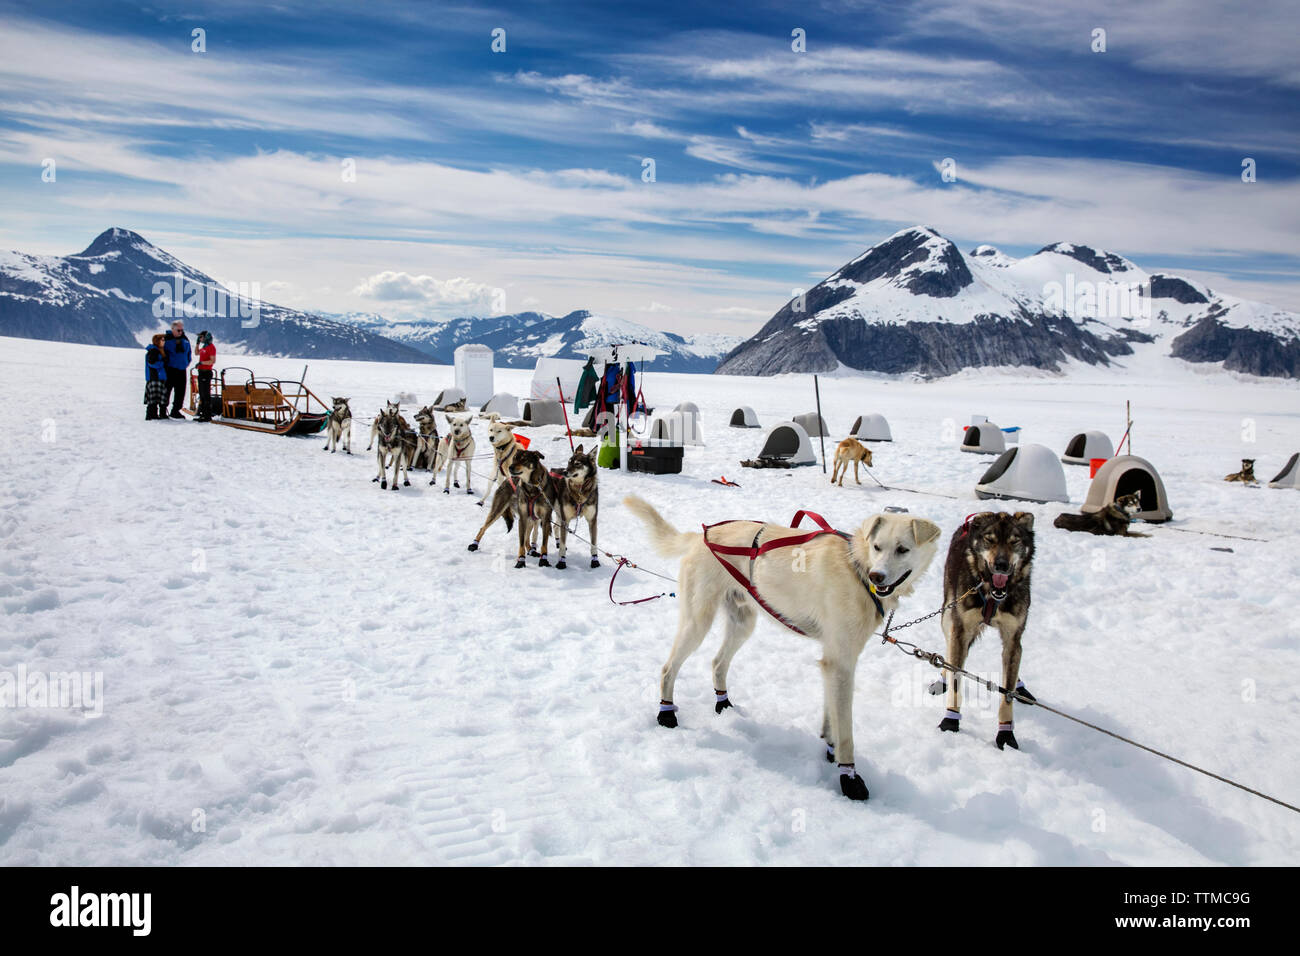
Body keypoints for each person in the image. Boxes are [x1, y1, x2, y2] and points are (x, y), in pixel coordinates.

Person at [161, 319, 192, 418]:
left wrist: (187, 362)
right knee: (166, 390)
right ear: (172, 329)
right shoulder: (166, 339)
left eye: (181, 330)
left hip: (182, 370)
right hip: (170, 370)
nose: (180, 332)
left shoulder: (185, 339)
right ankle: (162, 410)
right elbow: (162, 354)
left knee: (180, 392)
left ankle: (175, 410)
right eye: (178, 330)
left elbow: (189, 353)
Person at [144, 334, 167, 420]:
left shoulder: (158, 350)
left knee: (155, 398)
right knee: (153, 399)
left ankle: (153, 415)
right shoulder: (154, 351)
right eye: (162, 340)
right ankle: (151, 415)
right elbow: (151, 363)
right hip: (155, 377)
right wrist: (162, 363)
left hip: (157, 377)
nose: (164, 342)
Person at [194, 330, 216, 422]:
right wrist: (197, 344)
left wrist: (202, 362)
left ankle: (207, 415)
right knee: (202, 394)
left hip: (206, 372)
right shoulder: (204, 347)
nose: (200, 338)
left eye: (201, 337)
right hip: (201, 372)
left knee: (206, 394)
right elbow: (196, 353)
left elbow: (212, 361)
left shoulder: (211, 347)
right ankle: (202, 413)